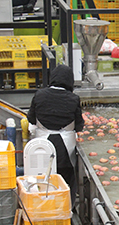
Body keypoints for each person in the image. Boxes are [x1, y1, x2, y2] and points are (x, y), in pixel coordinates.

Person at [27, 64, 84, 206]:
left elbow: (31, 119)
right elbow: (79, 126)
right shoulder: (73, 99)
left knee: (42, 178)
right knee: (65, 180)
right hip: (64, 148)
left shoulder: (39, 95)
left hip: (42, 145)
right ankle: (65, 208)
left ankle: (43, 206)